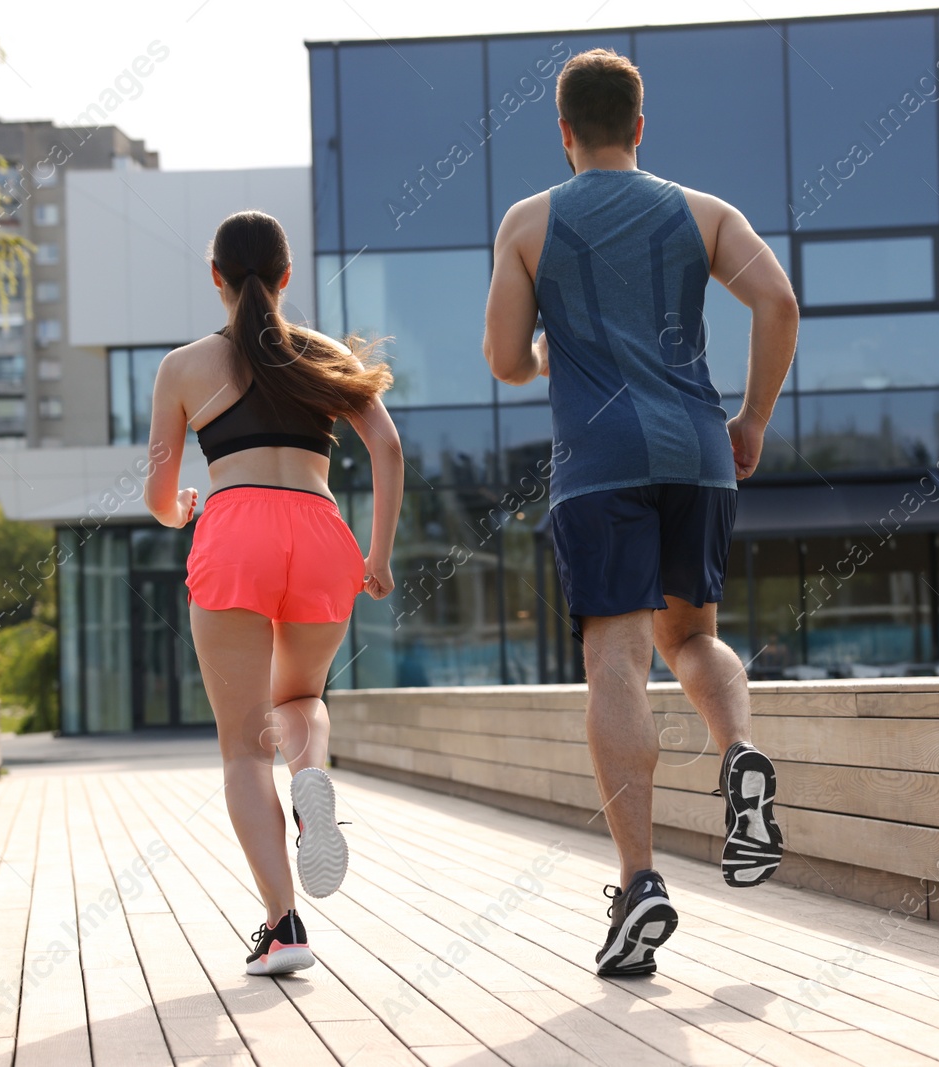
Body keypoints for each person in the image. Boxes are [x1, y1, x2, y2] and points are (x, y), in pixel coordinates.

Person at [482, 49, 799, 977]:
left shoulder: (530, 222)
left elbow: (503, 357)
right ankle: (739, 751)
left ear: (566, 132)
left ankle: (641, 884)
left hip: (601, 464)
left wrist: (552, 352)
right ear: (642, 125)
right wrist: (751, 420)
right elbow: (777, 300)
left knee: (614, 656)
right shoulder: (705, 213)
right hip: (699, 453)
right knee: (692, 637)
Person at [144, 210, 403, 976]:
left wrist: (179, 509)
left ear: (215, 276)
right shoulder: (320, 355)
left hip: (235, 531)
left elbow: (158, 491)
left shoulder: (183, 367)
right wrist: (379, 553)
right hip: (323, 536)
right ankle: (312, 776)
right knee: (299, 704)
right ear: (288, 277)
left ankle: (284, 926)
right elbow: (386, 445)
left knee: (243, 746)